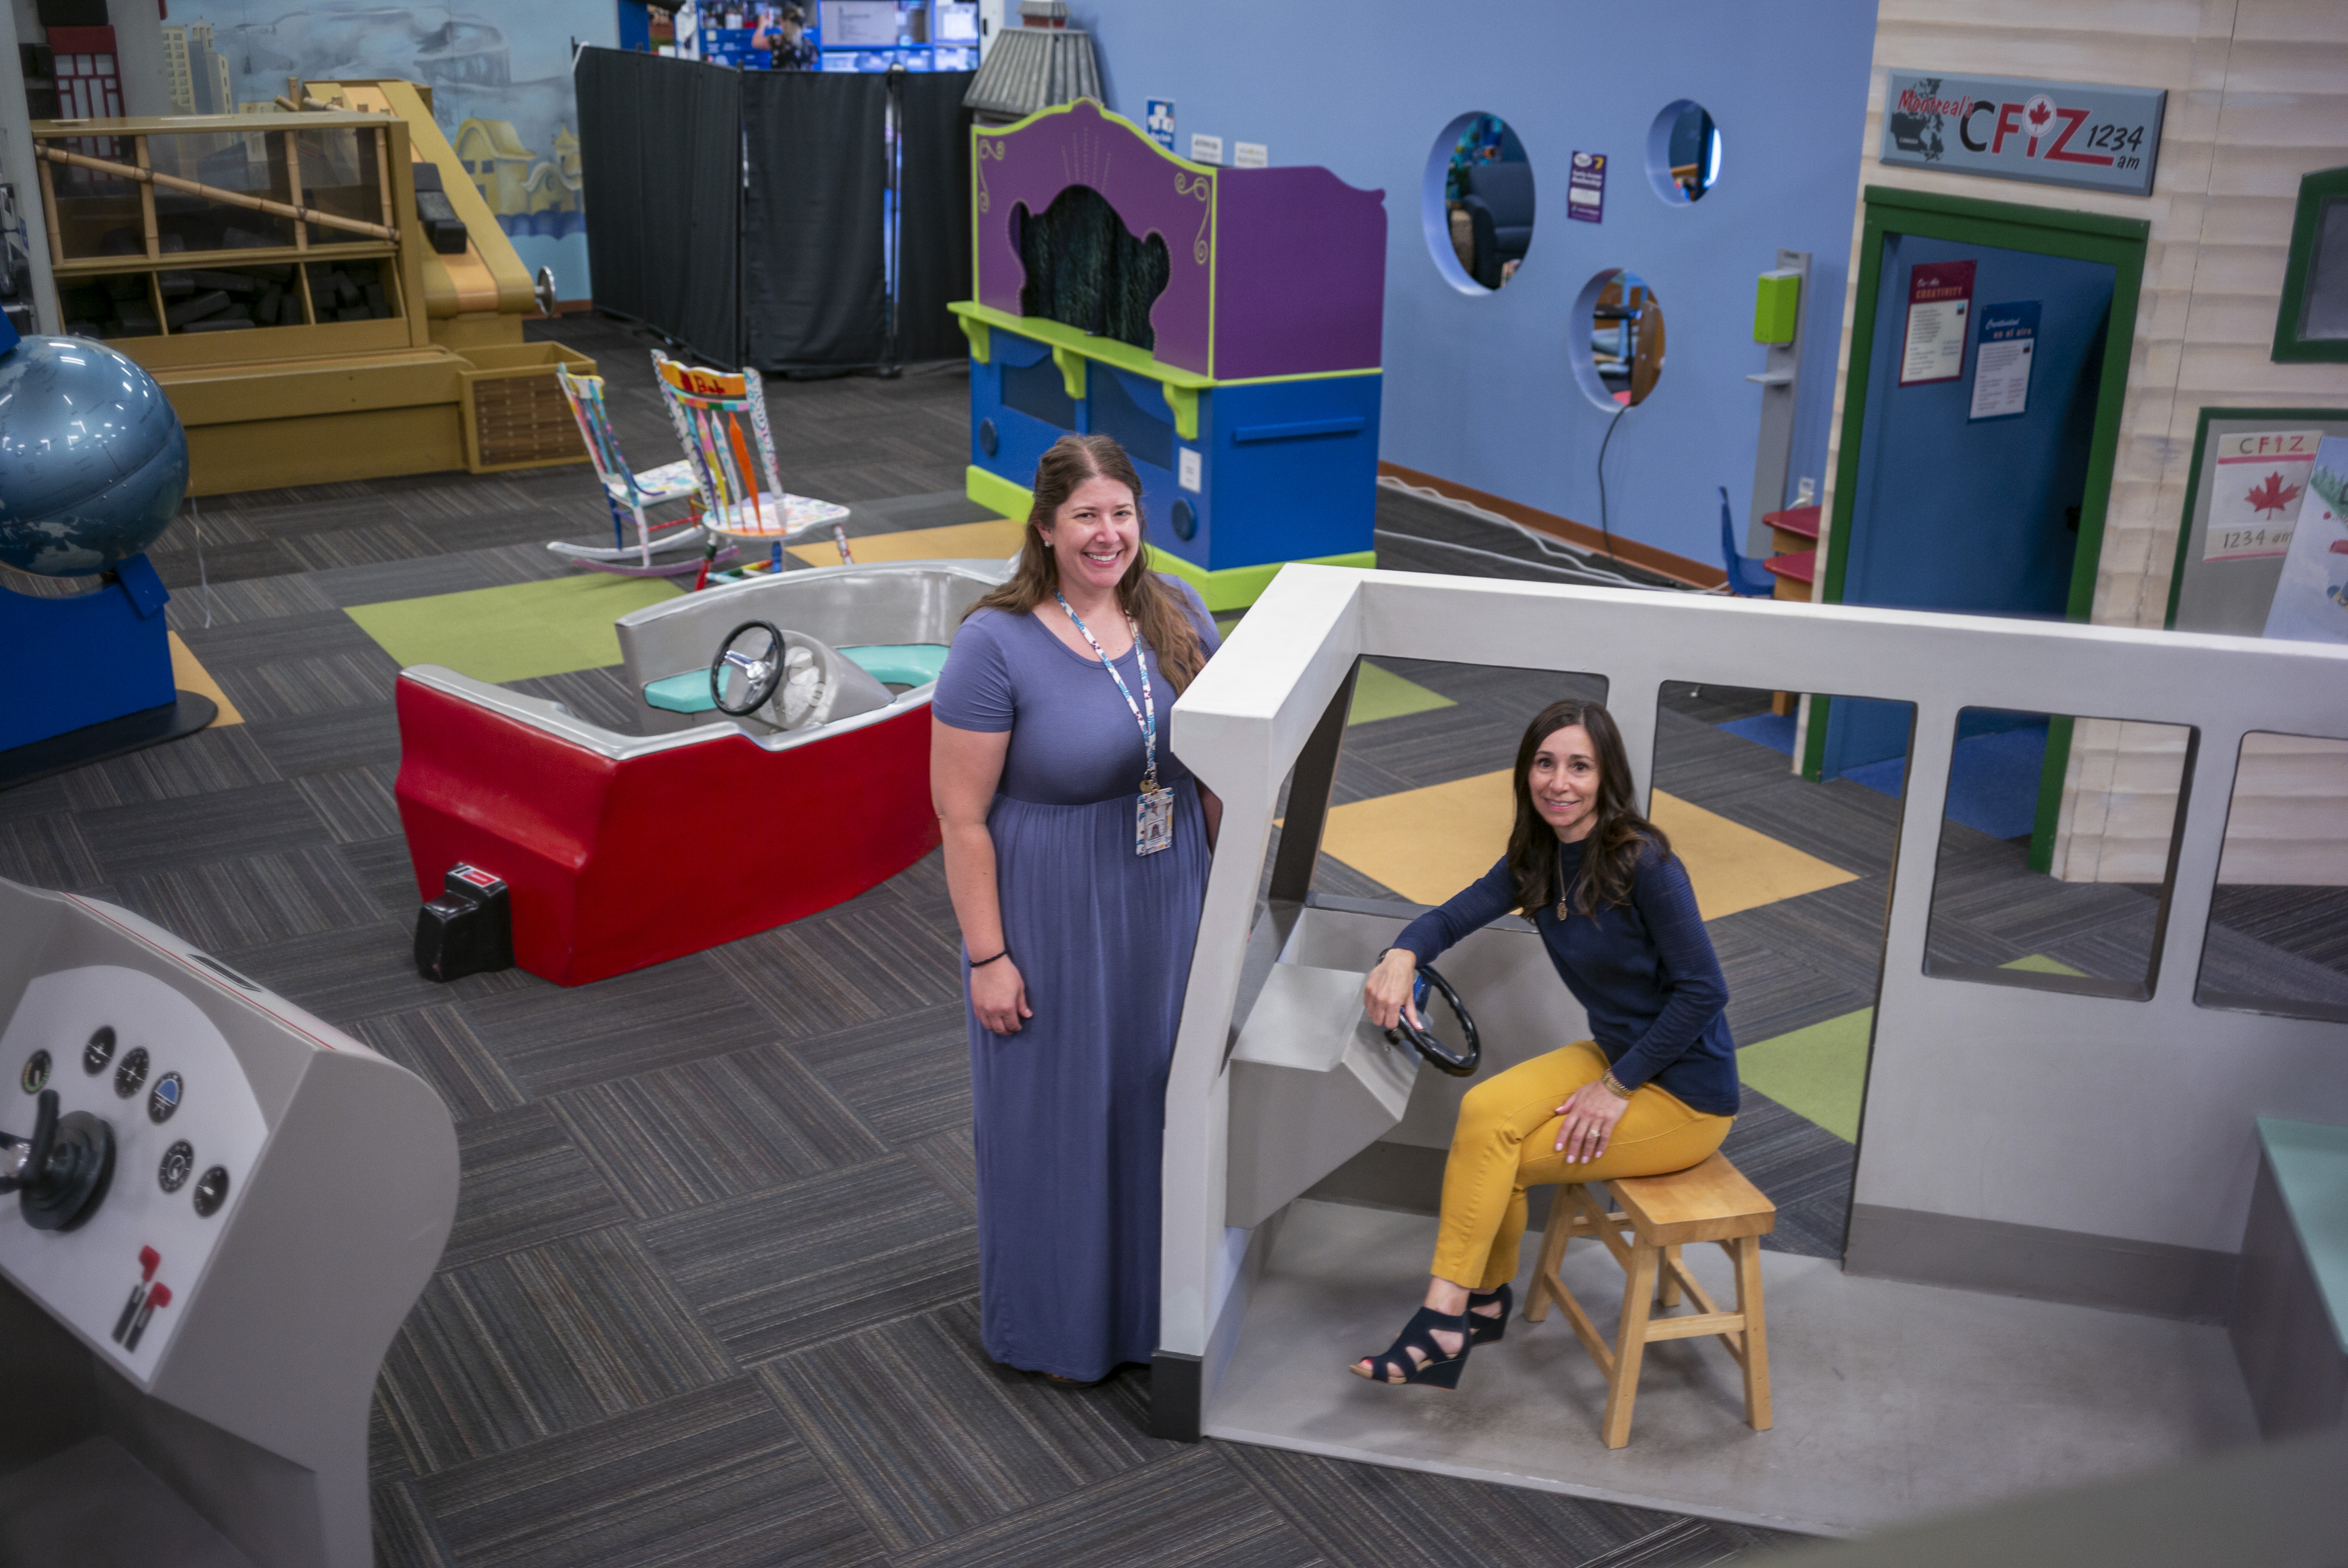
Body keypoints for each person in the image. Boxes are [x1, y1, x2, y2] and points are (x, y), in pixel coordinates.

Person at [930, 433, 1222, 1383]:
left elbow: (1221, 764)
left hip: (1165, 892)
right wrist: (988, 958)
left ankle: (1153, 1319)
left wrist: (1230, 900)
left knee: (1156, 1103)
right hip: (1053, 907)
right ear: (1046, 528)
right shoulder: (994, 642)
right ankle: (1057, 1329)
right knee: (1057, 1117)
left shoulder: (1178, 610)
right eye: (1085, 516)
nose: (1107, 535)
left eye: (1122, 514)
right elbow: (960, 818)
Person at [1350, 697, 1739, 1388]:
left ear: (1606, 777)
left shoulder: (1647, 863)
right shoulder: (1539, 858)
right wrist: (1401, 955)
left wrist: (1615, 1088)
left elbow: (1705, 992)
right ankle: (1484, 1300)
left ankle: (1445, 1315)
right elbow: (1450, 918)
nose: (1559, 782)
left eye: (1579, 767)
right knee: (1483, 1113)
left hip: (1687, 1094)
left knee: (1505, 1158)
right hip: (1617, 1055)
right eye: (1545, 763)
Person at [751, 4, 818, 68]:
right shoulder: (810, 44)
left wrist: (762, 24)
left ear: (782, 21)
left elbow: (756, 43)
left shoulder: (779, 41)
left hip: (781, 76)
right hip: (803, 76)